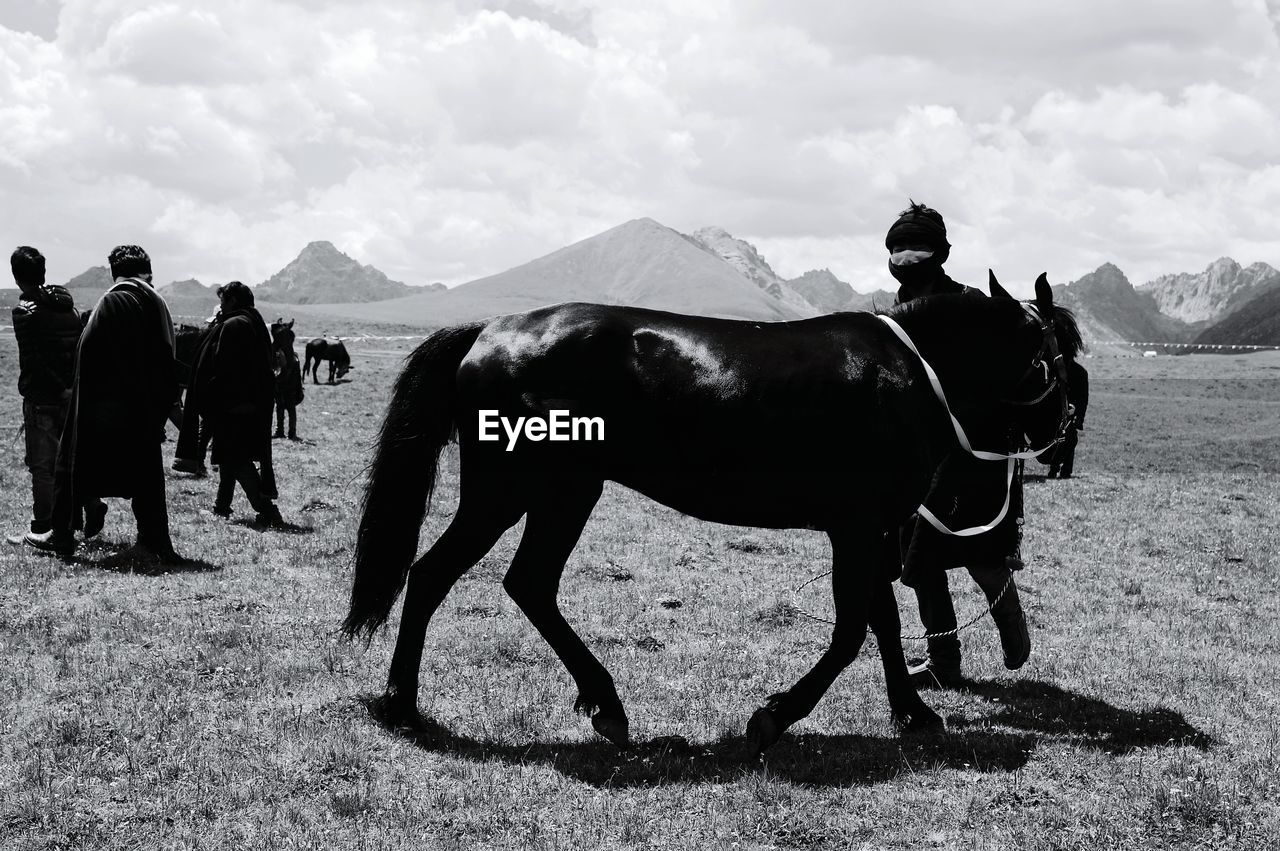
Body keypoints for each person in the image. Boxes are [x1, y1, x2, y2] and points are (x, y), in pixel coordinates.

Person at [884, 201, 1031, 688]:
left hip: (974, 454)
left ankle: (1009, 620)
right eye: (897, 249)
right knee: (919, 559)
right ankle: (944, 661)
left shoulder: (974, 308)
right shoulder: (892, 315)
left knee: (980, 553)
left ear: (940, 253)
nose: (905, 258)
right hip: (917, 456)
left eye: (915, 248)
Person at [35, 245, 182, 562]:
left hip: (103, 406)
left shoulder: (115, 299)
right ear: (148, 272)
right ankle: (153, 541)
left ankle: (61, 535)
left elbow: (91, 355)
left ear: (115, 272)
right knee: (146, 474)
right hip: (140, 407)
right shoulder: (151, 301)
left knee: (71, 463)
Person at [5, 247, 106, 546]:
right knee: (71, 459)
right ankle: (89, 503)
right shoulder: (69, 309)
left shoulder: (24, 311)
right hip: (71, 394)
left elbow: (35, 359)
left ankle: (43, 527)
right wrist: (69, 386)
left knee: (42, 467)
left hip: (42, 396)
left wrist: (54, 386)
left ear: (16, 276)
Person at [177, 282, 285, 526]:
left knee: (235, 457)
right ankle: (221, 507)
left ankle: (267, 511)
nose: (222, 306)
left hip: (233, 404)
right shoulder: (252, 322)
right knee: (228, 454)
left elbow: (224, 367)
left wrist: (212, 395)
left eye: (224, 301)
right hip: (249, 403)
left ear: (233, 301)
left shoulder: (234, 325)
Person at [1048, 358, 1089, 479]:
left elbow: (1083, 398)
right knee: (1061, 440)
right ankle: (1059, 469)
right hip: (1060, 410)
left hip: (1070, 411)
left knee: (1067, 439)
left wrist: (1079, 415)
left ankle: (1061, 469)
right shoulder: (1079, 371)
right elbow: (1083, 398)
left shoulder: (1079, 372)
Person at [271, 318, 304, 440]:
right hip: (285, 384)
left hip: (286, 384)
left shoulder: (280, 350)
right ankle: (287, 432)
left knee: (286, 406)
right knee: (285, 407)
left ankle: (287, 431)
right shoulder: (284, 351)